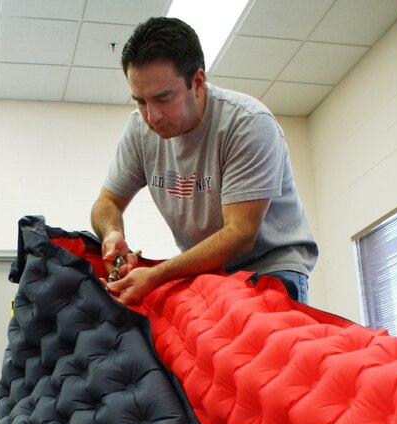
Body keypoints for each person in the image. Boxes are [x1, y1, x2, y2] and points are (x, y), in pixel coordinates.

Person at [91, 16, 318, 307]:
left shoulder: (247, 123)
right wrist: (112, 233)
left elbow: (239, 235)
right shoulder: (139, 130)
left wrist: (157, 274)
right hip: (207, 272)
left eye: (163, 98)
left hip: (269, 267)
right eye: (141, 101)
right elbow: (106, 202)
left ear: (197, 82)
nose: (152, 116)